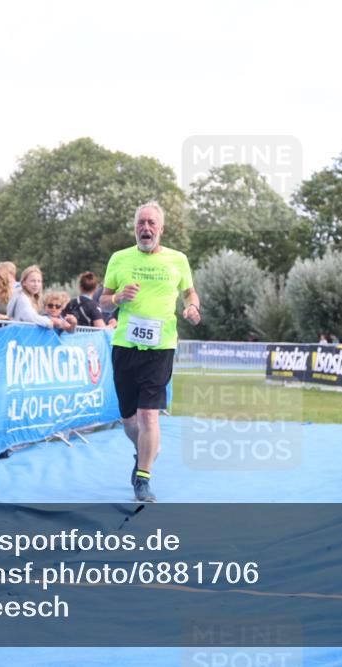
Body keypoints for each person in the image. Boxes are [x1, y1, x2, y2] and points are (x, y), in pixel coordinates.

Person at [100, 201, 201, 503]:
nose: (146, 228)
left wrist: (192, 307)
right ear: (135, 228)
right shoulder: (119, 258)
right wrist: (118, 297)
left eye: (151, 223)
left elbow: (189, 292)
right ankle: (145, 449)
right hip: (124, 346)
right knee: (129, 421)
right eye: (141, 223)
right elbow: (103, 301)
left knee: (148, 415)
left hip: (160, 347)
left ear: (161, 229)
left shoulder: (178, 259)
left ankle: (143, 478)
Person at [6, 265, 75, 332]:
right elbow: (30, 316)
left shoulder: (29, 297)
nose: (36, 284)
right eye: (33, 281)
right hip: (20, 335)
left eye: (39, 281)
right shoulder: (22, 298)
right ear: (24, 282)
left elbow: (70, 330)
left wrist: (73, 323)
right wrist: (50, 321)